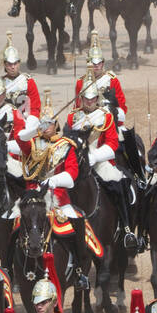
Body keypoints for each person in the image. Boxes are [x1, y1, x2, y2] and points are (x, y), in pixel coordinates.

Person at [22, 93, 90, 291]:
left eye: (49, 124)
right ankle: (11, 266)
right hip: (32, 198)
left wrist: (52, 180)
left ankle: (79, 269)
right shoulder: (32, 144)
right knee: (13, 226)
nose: (45, 128)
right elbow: (19, 138)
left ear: (56, 125)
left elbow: (71, 176)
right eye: (42, 124)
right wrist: (33, 128)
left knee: (77, 222)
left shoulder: (66, 146)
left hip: (58, 198)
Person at [67, 71, 141, 253]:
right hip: (78, 161)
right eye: (86, 98)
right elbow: (67, 142)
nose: (89, 102)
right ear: (81, 98)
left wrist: (94, 156)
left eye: (92, 99)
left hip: (99, 160)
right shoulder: (72, 118)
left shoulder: (105, 116)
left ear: (97, 98)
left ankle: (126, 228)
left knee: (119, 181)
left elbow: (112, 143)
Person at [0, 31, 42, 121]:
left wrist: (31, 121)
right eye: (9, 64)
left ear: (19, 63)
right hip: (4, 123)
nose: (12, 67)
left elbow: (35, 107)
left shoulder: (28, 81)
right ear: (4, 64)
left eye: (15, 63)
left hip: (25, 121)